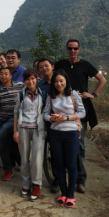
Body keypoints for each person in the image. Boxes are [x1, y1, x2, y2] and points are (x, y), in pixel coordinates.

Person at [54, 39, 106, 193]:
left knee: (79, 143)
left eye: (75, 48)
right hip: (62, 108)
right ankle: (60, 176)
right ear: (66, 49)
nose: (72, 51)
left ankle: (78, 175)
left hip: (80, 108)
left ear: (79, 49)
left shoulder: (85, 65)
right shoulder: (60, 64)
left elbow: (102, 79)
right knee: (60, 144)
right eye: (70, 48)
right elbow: (50, 76)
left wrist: (93, 94)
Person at [43, 69, 86, 208]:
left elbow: (82, 112)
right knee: (59, 165)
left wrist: (66, 118)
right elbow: (44, 114)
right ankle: (63, 192)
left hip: (71, 133)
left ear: (66, 80)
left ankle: (71, 194)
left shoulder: (73, 94)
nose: (59, 83)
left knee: (72, 165)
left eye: (61, 80)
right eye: (56, 81)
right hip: (55, 134)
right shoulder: (51, 95)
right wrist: (52, 118)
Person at [14, 69, 46, 201]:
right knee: (24, 158)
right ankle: (26, 184)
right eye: (28, 79)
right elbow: (15, 113)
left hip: (38, 129)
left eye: (33, 78)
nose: (30, 81)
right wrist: (15, 131)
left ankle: (36, 185)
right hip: (23, 128)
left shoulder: (43, 94)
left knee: (37, 159)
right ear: (24, 81)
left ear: (37, 79)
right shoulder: (21, 94)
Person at [37, 58, 60, 193]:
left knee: (56, 151)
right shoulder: (39, 85)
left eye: (46, 66)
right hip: (43, 120)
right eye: (41, 67)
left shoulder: (60, 81)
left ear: (52, 66)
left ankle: (58, 179)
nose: (44, 69)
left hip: (59, 121)